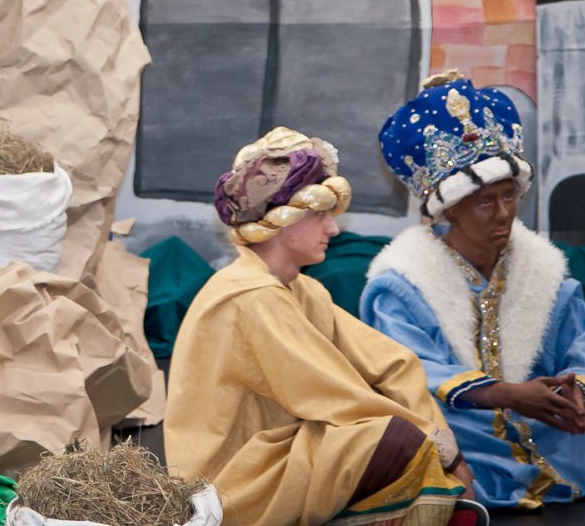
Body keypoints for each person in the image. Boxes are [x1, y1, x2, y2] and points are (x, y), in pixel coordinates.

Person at [361, 71, 585, 511]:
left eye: (508, 196)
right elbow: (411, 372)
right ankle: (565, 469)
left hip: (537, 413)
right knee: (421, 431)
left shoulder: (543, 270)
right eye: (485, 201)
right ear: (450, 209)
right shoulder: (401, 284)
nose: (503, 213)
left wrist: (574, 391)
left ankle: (487, 483)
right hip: (465, 419)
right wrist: (503, 395)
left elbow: (584, 343)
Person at [165, 127, 483, 526]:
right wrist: (442, 452)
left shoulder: (302, 289)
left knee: (401, 436)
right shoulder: (252, 296)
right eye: (320, 215)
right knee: (394, 440)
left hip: (276, 456)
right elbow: (334, 395)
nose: (333, 229)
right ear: (283, 219)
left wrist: (443, 443)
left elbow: (393, 364)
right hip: (234, 484)